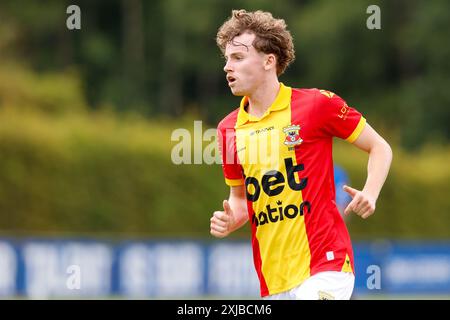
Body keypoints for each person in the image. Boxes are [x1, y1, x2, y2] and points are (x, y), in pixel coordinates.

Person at [210, 9, 392, 300]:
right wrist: (231, 218)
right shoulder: (228, 129)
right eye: (227, 58)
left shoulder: (318, 105)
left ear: (269, 61)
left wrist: (370, 192)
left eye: (238, 58)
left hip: (327, 263)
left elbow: (380, 147)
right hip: (273, 278)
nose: (227, 67)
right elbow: (241, 199)